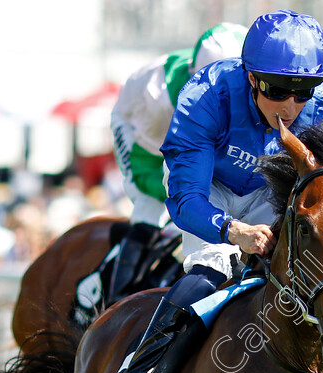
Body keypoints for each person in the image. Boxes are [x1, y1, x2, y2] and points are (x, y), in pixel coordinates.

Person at [98, 9, 323, 373]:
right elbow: (185, 201)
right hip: (208, 185)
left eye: (302, 90)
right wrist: (232, 231)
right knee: (210, 268)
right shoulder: (206, 95)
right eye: (278, 89)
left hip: (268, 189)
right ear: (251, 77)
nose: (290, 105)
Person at [106, 22, 249, 302]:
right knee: (152, 205)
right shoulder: (161, 103)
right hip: (140, 135)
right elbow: (154, 168)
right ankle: (113, 299)